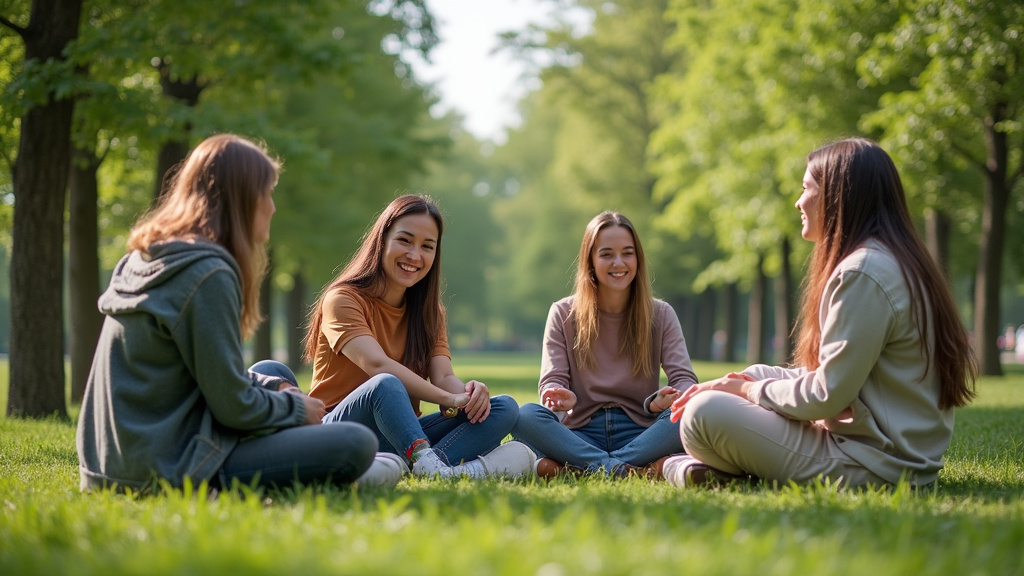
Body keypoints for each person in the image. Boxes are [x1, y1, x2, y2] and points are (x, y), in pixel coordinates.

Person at [77, 134, 382, 493]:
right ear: (240, 199)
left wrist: (274, 389)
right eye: (266, 194)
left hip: (111, 464)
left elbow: (211, 377)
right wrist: (297, 411)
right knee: (356, 443)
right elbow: (232, 408)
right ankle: (353, 472)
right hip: (165, 467)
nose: (272, 207)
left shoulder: (148, 257)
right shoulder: (208, 274)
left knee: (275, 375)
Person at [665, 138, 977, 489]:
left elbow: (826, 395)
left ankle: (687, 468)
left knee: (702, 415)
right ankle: (713, 470)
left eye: (806, 188)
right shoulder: (893, 261)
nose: (798, 202)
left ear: (836, 195)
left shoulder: (863, 273)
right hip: (881, 451)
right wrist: (740, 382)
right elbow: (834, 379)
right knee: (741, 382)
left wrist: (749, 393)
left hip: (876, 465)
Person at [303, 194, 535, 478]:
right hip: (340, 429)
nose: (415, 255)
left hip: (402, 433)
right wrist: (449, 400)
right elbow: (378, 365)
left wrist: (470, 395)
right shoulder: (342, 300)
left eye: (427, 246)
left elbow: (443, 377)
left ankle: (425, 465)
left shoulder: (431, 313)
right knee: (385, 384)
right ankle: (445, 466)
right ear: (382, 240)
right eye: (405, 240)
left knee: (504, 408)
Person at [511, 211, 698, 478]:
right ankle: (629, 469)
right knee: (526, 416)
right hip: (580, 434)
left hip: (642, 433)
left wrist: (662, 401)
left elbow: (685, 380)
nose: (618, 263)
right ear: (591, 260)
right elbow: (551, 382)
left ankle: (586, 469)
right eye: (607, 254)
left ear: (638, 259)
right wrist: (560, 396)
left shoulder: (661, 314)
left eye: (627, 253)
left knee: (691, 412)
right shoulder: (563, 313)